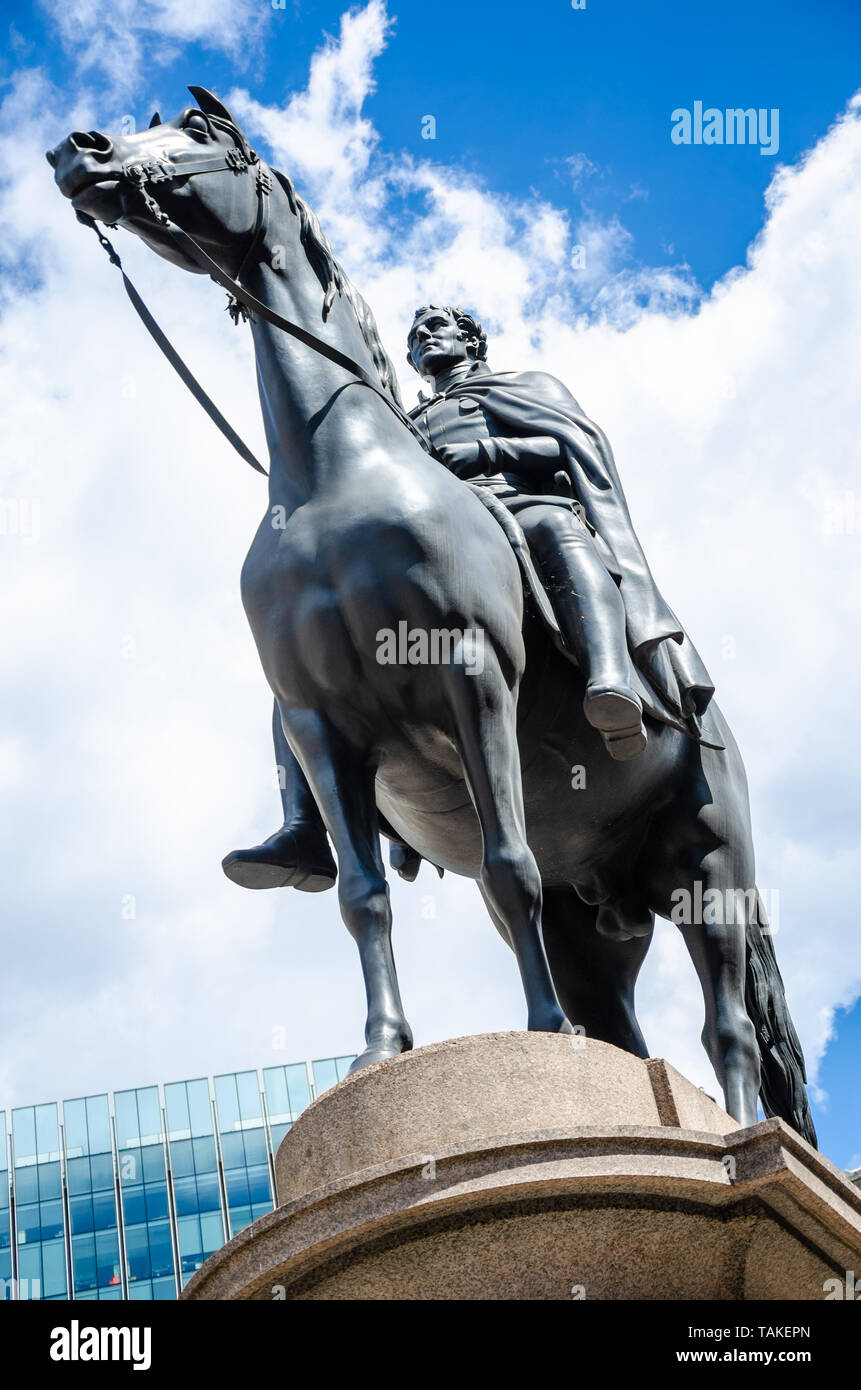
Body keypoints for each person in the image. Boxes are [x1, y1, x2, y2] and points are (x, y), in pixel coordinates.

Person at [222, 305, 714, 891]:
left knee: (559, 532)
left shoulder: (524, 387)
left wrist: (490, 456)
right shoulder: (396, 421)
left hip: (514, 509)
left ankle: (610, 679)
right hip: (435, 544)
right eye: (414, 336)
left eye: (436, 326)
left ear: (471, 339)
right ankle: (304, 826)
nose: (423, 337)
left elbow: (574, 450)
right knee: (309, 654)